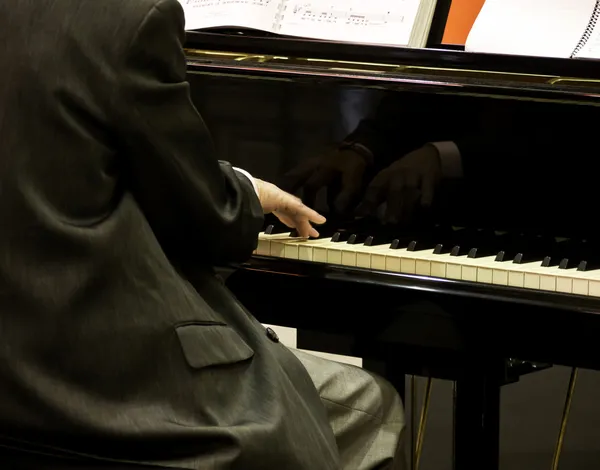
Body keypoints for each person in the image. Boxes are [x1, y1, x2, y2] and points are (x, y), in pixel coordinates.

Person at [0, 0, 406, 469]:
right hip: (101, 390)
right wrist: (246, 191)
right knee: (368, 404)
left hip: (14, 376)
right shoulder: (130, 19)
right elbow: (208, 220)